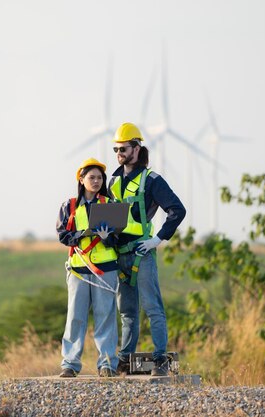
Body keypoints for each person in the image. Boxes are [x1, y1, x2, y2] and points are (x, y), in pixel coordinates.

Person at [108, 122, 186, 376]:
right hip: (119, 253)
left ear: (137, 148)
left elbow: (177, 210)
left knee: (153, 308)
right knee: (127, 312)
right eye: (116, 150)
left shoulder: (151, 180)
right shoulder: (113, 181)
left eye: (123, 149)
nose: (119, 154)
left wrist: (158, 239)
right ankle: (124, 360)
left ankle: (160, 359)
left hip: (142, 252)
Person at [56, 157, 120, 378]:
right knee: (75, 317)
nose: (96, 181)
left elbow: (118, 240)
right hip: (79, 269)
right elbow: (62, 235)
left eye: (100, 178)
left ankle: (107, 364)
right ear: (81, 180)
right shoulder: (69, 206)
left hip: (105, 269)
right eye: (91, 177)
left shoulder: (110, 206)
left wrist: (107, 237)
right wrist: (81, 235)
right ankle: (70, 364)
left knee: (106, 316)